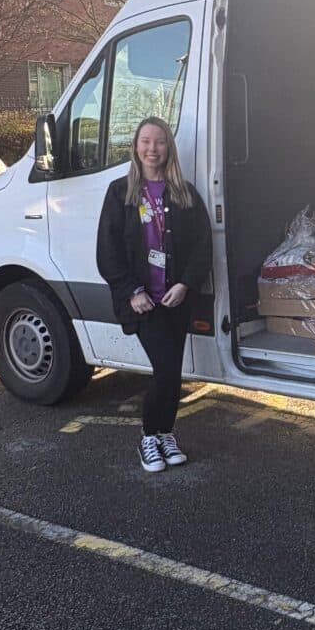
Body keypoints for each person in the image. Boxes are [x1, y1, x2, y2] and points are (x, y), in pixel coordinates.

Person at [96, 116, 212, 473]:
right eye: (145, 141)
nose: (152, 149)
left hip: (173, 299)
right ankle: (150, 435)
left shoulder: (184, 193)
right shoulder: (120, 192)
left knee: (173, 372)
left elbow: (202, 247)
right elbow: (107, 252)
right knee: (164, 370)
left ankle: (165, 434)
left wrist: (185, 284)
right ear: (135, 147)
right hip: (142, 302)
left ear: (168, 148)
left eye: (159, 142)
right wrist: (131, 291)